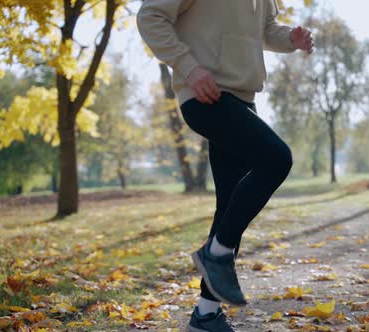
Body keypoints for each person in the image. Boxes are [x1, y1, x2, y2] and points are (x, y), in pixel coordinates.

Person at [136, 1, 313, 331]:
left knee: (231, 205)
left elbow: (264, 29)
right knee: (276, 158)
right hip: (205, 93)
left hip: (242, 98)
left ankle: (206, 314)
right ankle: (215, 253)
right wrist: (188, 67)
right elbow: (150, 16)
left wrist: (291, 38)